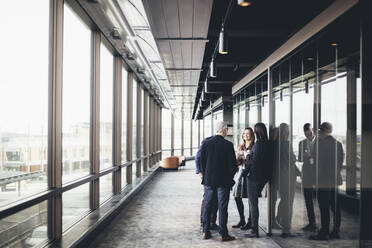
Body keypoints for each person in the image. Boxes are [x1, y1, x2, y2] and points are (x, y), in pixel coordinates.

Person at [199, 121, 237, 241]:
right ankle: (223, 234)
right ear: (224, 130)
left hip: (209, 180)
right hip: (223, 181)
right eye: (226, 130)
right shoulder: (228, 145)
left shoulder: (206, 143)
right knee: (222, 207)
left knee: (208, 205)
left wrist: (206, 175)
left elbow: (201, 161)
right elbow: (233, 166)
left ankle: (205, 231)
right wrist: (230, 176)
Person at [310, 122, 343, 240]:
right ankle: (336, 231)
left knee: (324, 207)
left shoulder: (320, 145)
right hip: (333, 180)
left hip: (323, 180)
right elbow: (339, 163)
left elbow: (316, 161)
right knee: (335, 206)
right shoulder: (338, 144)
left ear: (322, 131)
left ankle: (324, 232)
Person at [242, 123, 271, 238]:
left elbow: (254, 161)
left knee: (253, 204)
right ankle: (252, 225)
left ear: (257, 132)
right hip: (263, 177)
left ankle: (254, 230)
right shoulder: (268, 144)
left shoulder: (258, 145)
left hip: (254, 177)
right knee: (253, 203)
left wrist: (248, 156)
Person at [276, 123, 301, 237]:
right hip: (288, 177)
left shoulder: (276, 144)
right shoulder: (287, 144)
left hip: (280, 177)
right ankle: (286, 228)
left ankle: (279, 219)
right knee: (288, 202)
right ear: (287, 132)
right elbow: (292, 159)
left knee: (284, 200)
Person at [231, 128, 255, 230]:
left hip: (250, 173)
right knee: (236, 195)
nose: (245, 135)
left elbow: (253, 161)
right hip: (241, 172)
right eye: (244, 133)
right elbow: (238, 162)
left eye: (248, 133)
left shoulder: (254, 146)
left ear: (252, 135)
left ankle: (250, 221)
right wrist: (240, 159)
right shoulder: (241, 146)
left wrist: (245, 159)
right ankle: (242, 219)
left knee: (250, 198)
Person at [195, 139, 219, 232]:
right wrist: (199, 172)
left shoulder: (214, 143)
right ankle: (203, 223)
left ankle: (212, 222)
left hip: (215, 176)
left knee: (216, 199)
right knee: (207, 199)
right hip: (207, 176)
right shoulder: (206, 143)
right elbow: (198, 157)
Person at [298, 123, 317, 231]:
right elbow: (300, 159)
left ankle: (324, 225)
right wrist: (304, 156)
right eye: (305, 131)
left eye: (308, 131)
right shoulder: (302, 143)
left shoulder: (320, 142)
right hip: (307, 175)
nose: (307, 133)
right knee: (308, 200)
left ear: (312, 130)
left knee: (321, 201)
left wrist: (311, 156)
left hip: (318, 175)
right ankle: (312, 223)